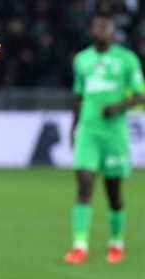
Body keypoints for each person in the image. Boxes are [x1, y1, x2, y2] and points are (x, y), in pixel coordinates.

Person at [64, 12, 145, 265]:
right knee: (84, 183)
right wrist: (74, 127)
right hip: (89, 131)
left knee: (113, 192)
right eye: (97, 27)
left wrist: (118, 107)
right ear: (92, 31)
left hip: (113, 133)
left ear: (113, 32)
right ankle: (79, 245)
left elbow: (140, 95)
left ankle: (116, 243)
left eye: (105, 27)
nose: (100, 30)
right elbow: (78, 97)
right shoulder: (82, 60)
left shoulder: (127, 59)